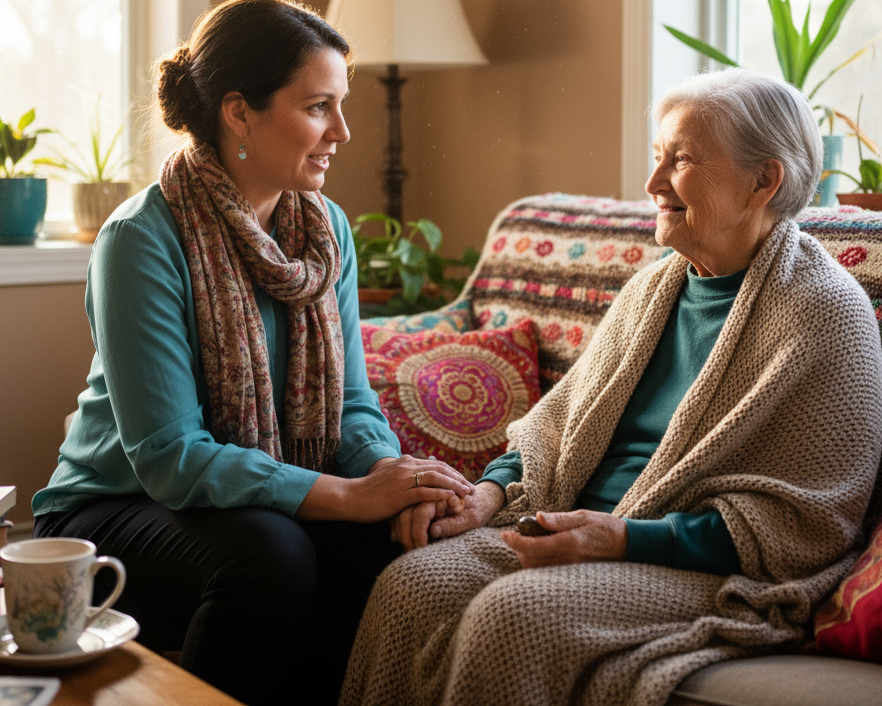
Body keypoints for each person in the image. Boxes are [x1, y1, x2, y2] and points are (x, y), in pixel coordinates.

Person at [342, 69, 882, 706]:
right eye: (657, 158)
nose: (653, 185)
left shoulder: (825, 312)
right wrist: (487, 495)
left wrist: (621, 538)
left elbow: (805, 527)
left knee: (516, 618)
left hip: (697, 568)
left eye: (680, 161)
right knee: (413, 585)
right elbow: (557, 423)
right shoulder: (654, 288)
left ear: (765, 181)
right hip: (574, 526)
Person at [31, 0, 474, 706]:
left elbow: (353, 403)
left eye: (341, 106)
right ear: (239, 112)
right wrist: (346, 495)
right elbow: (171, 458)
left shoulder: (327, 230)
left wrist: (395, 478)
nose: (343, 132)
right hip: (112, 508)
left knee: (386, 541)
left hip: (249, 506)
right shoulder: (142, 238)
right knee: (272, 554)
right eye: (318, 107)